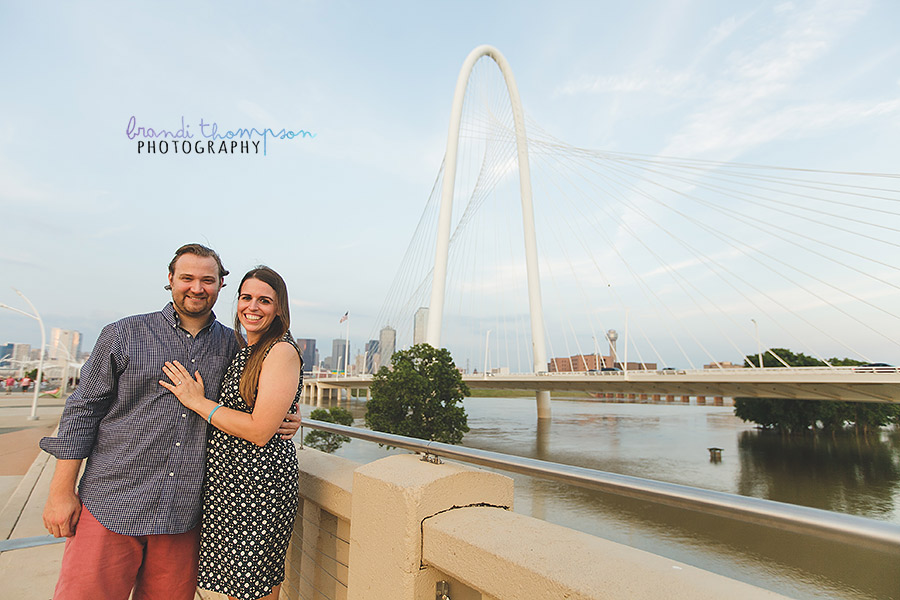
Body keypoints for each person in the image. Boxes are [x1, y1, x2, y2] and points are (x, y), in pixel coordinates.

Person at [39, 244, 301, 600]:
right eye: (187, 278)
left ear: (220, 285)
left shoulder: (234, 346)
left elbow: (260, 400)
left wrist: (289, 416)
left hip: (183, 514)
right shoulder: (124, 334)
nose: (197, 287)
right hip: (112, 503)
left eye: (207, 280)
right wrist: (60, 493)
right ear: (170, 280)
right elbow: (82, 411)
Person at [160, 266, 301, 600]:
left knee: (251, 587)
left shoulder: (279, 350)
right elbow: (268, 406)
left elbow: (259, 431)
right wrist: (295, 417)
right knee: (239, 587)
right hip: (232, 487)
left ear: (279, 308)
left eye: (264, 300)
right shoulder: (248, 349)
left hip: (258, 488)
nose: (253, 306)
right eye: (246, 297)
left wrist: (198, 402)